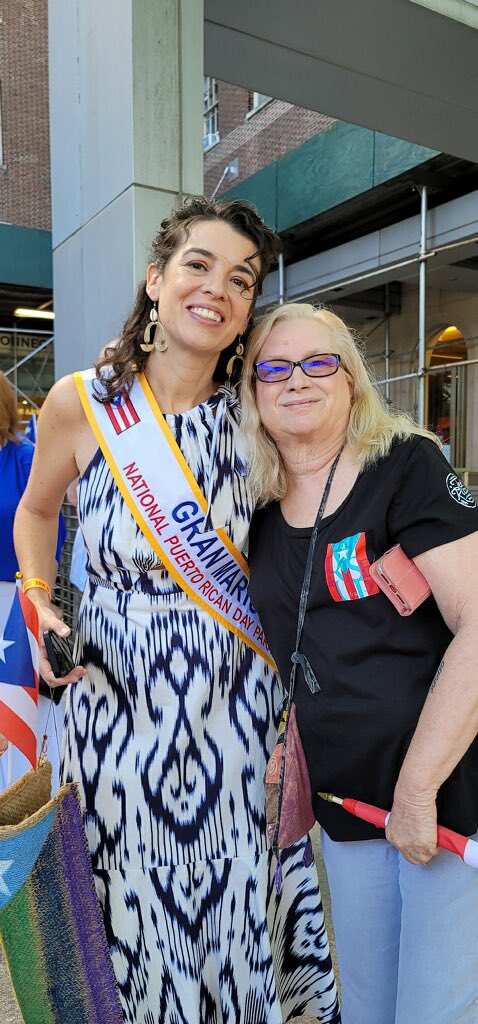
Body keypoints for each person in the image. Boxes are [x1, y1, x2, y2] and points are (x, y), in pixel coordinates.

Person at [14, 200, 340, 1024]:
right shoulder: (81, 404)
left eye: (241, 279)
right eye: (198, 265)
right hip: (115, 712)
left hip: (236, 715)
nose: (217, 289)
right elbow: (36, 512)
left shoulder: (261, 413)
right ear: (156, 280)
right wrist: (40, 599)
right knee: (128, 919)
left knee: (232, 921)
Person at [242, 302, 478, 1024]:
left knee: (435, 1011)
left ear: (352, 380)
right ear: (252, 392)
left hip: (447, 798)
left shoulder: (404, 465)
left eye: (319, 363)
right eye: (273, 368)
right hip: (346, 810)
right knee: (371, 1006)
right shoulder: (256, 508)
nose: (296, 381)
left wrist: (416, 792)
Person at [0, 371, 66, 792]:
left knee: (14, 720)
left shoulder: (24, 457)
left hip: (14, 603)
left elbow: (48, 537)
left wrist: (37, 600)